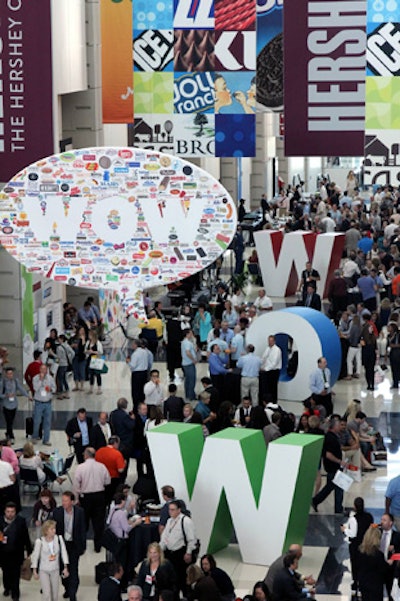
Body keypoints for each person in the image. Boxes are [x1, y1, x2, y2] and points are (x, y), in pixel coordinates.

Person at [73, 447, 111, 553]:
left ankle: (82, 546)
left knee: (83, 522)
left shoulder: (80, 467)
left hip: (86, 497)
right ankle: (98, 546)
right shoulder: (102, 466)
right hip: (99, 496)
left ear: (86, 455)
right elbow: (107, 481)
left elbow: (76, 484)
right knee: (98, 522)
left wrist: (76, 498)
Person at [53, 491, 86, 601]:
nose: (64, 503)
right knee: (63, 569)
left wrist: (83, 546)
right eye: (62, 500)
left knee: (73, 570)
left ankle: (73, 593)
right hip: (62, 545)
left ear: (72, 501)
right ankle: (67, 588)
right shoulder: (57, 512)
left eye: (66, 501)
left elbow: (82, 530)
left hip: (74, 545)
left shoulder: (80, 512)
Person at [160, 500, 197, 598]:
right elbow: (164, 538)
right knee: (172, 580)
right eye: (169, 510)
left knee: (183, 580)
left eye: (173, 510)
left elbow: (192, 539)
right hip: (169, 554)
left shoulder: (186, 521)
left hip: (181, 553)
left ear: (179, 510)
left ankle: (186, 597)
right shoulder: (169, 521)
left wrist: (188, 552)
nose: (170, 512)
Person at [312, 417, 346, 514]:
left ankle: (317, 501)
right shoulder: (330, 438)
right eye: (339, 425)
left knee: (331, 486)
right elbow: (328, 454)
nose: (340, 427)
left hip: (332, 467)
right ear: (334, 426)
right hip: (333, 467)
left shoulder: (332, 436)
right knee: (336, 487)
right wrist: (339, 461)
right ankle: (337, 509)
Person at [341, 497, 373, 595]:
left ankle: (356, 583)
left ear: (355, 506)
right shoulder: (369, 516)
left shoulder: (353, 519)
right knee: (364, 563)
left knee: (355, 564)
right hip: (366, 544)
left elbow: (353, 534)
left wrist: (344, 530)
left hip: (356, 546)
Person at [0, 501, 32, 601]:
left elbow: (26, 536)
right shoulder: (0, 521)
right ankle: (7, 587)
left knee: (16, 573)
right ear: (5, 511)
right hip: (3, 553)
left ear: (15, 512)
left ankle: (15, 592)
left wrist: (29, 550)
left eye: (12, 511)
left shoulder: (20, 521)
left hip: (16, 552)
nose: (10, 514)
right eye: (8, 511)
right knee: (6, 572)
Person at [31, 519, 70, 601]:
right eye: (52, 529)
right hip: (43, 570)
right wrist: (34, 571)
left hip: (55, 569)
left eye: (54, 528)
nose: (54, 531)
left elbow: (64, 552)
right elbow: (35, 556)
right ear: (46, 530)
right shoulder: (40, 541)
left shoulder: (59, 539)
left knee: (55, 594)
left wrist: (66, 567)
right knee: (46, 594)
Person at [357, 526, 388, 601]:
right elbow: (383, 570)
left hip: (363, 585)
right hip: (375, 587)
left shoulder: (360, 552)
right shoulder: (378, 554)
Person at [0, 367, 30, 441]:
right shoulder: (2, 383)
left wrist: (27, 395)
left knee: (11, 420)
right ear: (6, 374)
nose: (10, 375)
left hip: (14, 404)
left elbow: (21, 389)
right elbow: (0, 394)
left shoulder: (15, 381)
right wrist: (6, 395)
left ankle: (8, 433)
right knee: (8, 420)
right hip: (6, 404)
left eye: (11, 374)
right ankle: (11, 435)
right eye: (8, 374)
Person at [96, 436, 126, 505]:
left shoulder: (99, 451)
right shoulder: (117, 454)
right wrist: (124, 464)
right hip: (113, 480)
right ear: (115, 443)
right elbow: (120, 470)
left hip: (100, 479)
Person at [32, 363, 57, 446]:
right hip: (39, 402)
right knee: (37, 421)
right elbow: (35, 388)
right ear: (39, 370)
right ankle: (35, 436)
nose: (43, 371)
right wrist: (40, 380)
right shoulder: (35, 378)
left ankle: (46, 439)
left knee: (47, 422)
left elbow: (55, 388)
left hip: (48, 402)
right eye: (42, 369)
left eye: (45, 369)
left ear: (47, 370)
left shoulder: (50, 378)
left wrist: (51, 389)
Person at [380, 512, 400, 598]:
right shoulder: (377, 534)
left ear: (390, 523)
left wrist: (393, 557)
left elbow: (399, 553)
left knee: (390, 592)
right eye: (381, 519)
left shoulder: (397, 536)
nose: (382, 522)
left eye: (384, 520)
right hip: (378, 568)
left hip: (390, 570)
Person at [110, 398, 135, 463]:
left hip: (116, 440)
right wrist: (133, 419)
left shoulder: (113, 413)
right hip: (125, 442)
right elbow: (131, 426)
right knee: (124, 461)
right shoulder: (124, 416)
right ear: (126, 405)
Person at [128, 339, 151, 409]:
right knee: (142, 390)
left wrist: (128, 362)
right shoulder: (145, 352)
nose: (132, 345)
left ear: (135, 345)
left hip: (137, 374)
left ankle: (136, 406)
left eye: (133, 344)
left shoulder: (135, 354)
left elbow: (133, 365)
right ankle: (142, 404)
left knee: (135, 391)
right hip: (144, 373)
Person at [260, 336, 282, 402]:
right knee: (267, 387)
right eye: (269, 341)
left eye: (271, 341)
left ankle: (274, 401)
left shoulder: (277, 350)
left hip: (273, 371)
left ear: (274, 341)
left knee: (273, 387)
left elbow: (274, 362)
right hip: (266, 371)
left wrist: (266, 369)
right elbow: (263, 358)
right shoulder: (267, 348)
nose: (269, 342)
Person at [56, 334, 75, 399]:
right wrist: (70, 359)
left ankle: (61, 393)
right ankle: (67, 392)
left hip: (61, 364)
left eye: (59, 339)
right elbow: (73, 353)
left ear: (61, 339)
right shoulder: (67, 346)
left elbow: (58, 357)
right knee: (64, 378)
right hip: (66, 364)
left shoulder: (59, 348)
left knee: (60, 378)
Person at [85, 330, 104, 395]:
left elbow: (100, 352)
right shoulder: (88, 342)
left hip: (96, 359)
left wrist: (92, 352)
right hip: (90, 359)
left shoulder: (98, 343)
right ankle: (91, 388)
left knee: (97, 374)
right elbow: (85, 350)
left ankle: (99, 388)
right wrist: (87, 351)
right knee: (91, 374)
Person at [181, 329, 197, 402]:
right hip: (189, 363)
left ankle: (188, 394)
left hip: (185, 363)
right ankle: (191, 396)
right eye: (190, 333)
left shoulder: (184, 342)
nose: (192, 335)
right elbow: (188, 352)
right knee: (191, 380)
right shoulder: (187, 343)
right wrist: (193, 359)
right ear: (187, 334)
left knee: (187, 380)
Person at [70, 326, 87, 391]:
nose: (82, 332)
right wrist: (72, 346)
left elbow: (84, 347)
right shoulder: (73, 338)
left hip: (82, 357)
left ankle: (82, 386)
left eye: (83, 330)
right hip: (74, 356)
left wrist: (83, 340)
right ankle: (76, 385)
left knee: (82, 371)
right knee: (75, 371)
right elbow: (69, 345)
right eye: (81, 330)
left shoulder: (85, 338)